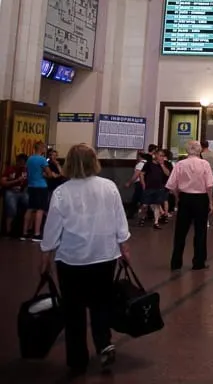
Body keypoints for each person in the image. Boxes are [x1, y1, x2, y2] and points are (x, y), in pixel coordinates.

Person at [39, 144, 131, 376]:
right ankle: (104, 344)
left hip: (71, 259)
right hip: (104, 256)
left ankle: (77, 359)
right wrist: (124, 249)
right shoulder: (109, 187)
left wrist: (46, 256)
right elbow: (120, 221)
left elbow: (52, 230)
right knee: (101, 303)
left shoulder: (62, 192)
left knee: (74, 310)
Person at [166, 140, 213, 272]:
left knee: (180, 232)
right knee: (200, 232)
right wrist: (210, 202)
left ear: (187, 150)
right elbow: (209, 185)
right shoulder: (204, 164)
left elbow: (171, 185)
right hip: (200, 199)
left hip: (185, 198)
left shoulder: (180, 164)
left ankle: (176, 262)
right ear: (199, 150)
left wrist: (178, 197)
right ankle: (198, 262)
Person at [23, 141, 51, 242]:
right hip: (41, 186)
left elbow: (27, 172)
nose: (45, 149)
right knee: (40, 209)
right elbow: (49, 174)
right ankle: (36, 233)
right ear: (41, 148)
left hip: (31, 185)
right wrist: (45, 175)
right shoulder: (42, 159)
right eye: (44, 147)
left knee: (30, 208)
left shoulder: (29, 159)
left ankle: (24, 233)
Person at [140, 149, 171, 230]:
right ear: (156, 155)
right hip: (149, 187)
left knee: (157, 205)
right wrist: (143, 183)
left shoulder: (164, 164)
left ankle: (156, 222)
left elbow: (168, 173)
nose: (161, 158)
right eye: (160, 156)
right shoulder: (148, 164)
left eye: (163, 156)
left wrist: (162, 165)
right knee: (145, 205)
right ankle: (142, 217)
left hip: (159, 188)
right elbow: (142, 174)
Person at [1, 154, 28, 238]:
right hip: (11, 191)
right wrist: (16, 180)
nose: (22, 164)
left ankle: (25, 230)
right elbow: (3, 182)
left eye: (23, 163)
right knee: (11, 209)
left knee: (31, 206)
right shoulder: (10, 169)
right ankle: (8, 231)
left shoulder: (26, 170)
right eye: (20, 162)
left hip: (22, 191)